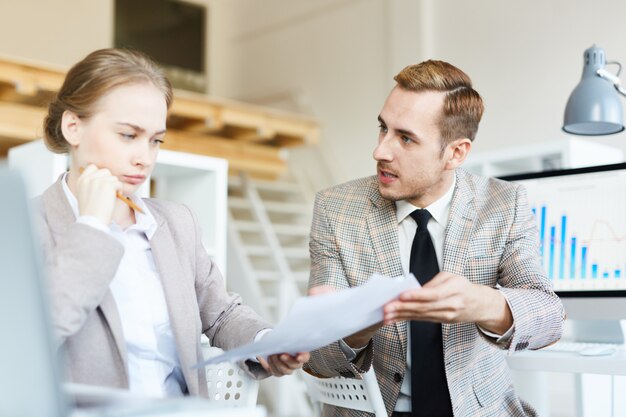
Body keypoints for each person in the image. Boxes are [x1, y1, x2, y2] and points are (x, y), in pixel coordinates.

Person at [35, 48, 308, 398]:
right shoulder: (26, 225)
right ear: (73, 126)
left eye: (155, 140)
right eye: (128, 135)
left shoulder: (176, 222)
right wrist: (91, 226)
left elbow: (221, 313)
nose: (144, 158)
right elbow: (34, 335)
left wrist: (267, 343)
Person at [304, 60, 564, 417]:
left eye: (406, 138)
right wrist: (356, 324)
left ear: (456, 153)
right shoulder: (336, 209)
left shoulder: (504, 204)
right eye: (383, 129)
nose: (380, 151)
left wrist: (482, 304)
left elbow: (549, 317)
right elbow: (319, 360)